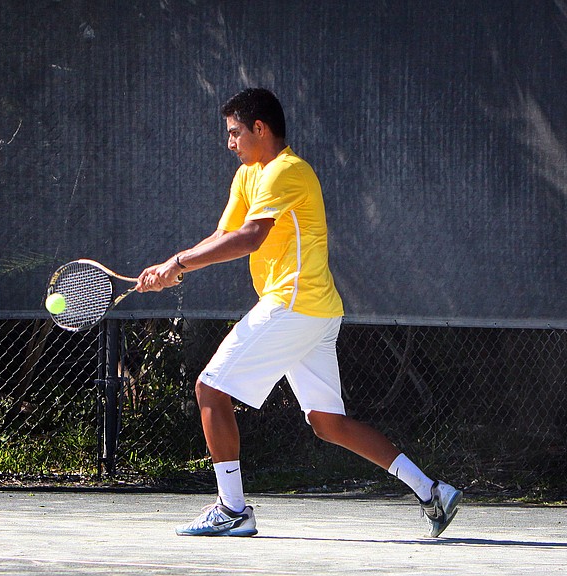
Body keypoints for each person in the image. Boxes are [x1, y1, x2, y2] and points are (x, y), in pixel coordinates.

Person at [135, 87, 461, 538]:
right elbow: (222, 234)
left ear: (259, 129)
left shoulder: (287, 171)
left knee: (210, 389)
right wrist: (175, 267)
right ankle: (432, 492)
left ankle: (232, 511)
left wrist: (179, 263)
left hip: (293, 303)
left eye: (234, 133)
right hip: (316, 309)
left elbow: (251, 237)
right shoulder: (248, 176)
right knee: (328, 423)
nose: (229, 142)